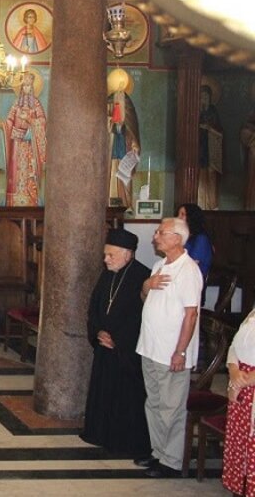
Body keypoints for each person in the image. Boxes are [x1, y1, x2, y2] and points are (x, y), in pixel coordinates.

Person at [135, 217, 202, 478]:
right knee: (154, 403)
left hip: (170, 352)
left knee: (171, 407)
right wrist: (146, 285)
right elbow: (145, 297)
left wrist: (180, 351)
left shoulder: (188, 270)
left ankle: (172, 461)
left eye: (161, 233)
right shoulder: (160, 265)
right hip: (150, 347)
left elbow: (191, 315)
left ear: (177, 238)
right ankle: (158, 452)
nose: (155, 237)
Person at [81, 229, 151, 456]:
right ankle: (98, 433)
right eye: (105, 254)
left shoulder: (142, 276)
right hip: (104, 346)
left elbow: (140, 317)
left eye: (111, 255)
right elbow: (94, 306)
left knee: (125, 397)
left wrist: (118, 340)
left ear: (127, 254)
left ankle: (121, 439)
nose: (106, 259)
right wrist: (98, 331)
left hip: (125, 352)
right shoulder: (107, 274)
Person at [2, 72, 47, 207]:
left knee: (29, 171)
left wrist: (28, 119)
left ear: (32, 87)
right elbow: (10, 120)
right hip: (16, 142)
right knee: (15, 170)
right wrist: (3, 125)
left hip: (29, 142)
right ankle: (14, 201)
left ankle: (30, 200)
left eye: (28, 86)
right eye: (24, 86)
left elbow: (42, 121)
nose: (26, 88)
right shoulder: (16, 104)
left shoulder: (36, 104)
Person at [223, 309, 255, 494]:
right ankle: (242, 487)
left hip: (249, 382)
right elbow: (234, 346)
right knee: (241, 445)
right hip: (242, 384)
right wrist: (234, 372)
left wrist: (247, 379)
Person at [176, 203, 213, 283]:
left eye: (182, 214)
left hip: (193, 281)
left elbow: (191, 265)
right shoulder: (185, 236)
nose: (178, 218)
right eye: (178, 214)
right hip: (183, 277)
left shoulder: (201, 239)